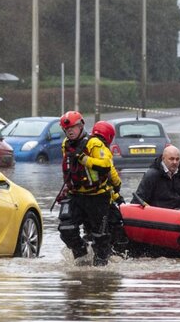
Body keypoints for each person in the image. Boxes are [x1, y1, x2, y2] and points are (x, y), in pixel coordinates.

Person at [56, 112, 122, 266]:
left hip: (97, 196)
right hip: (75, 195)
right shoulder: (65, 144)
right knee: (66, 229)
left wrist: (85, 159)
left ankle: (101, 266)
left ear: (81, 126)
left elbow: (106, 164)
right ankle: (81, 254)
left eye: (73, 127)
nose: (70, 131)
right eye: (67, 129)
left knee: (101, 236)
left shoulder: (94, 144)